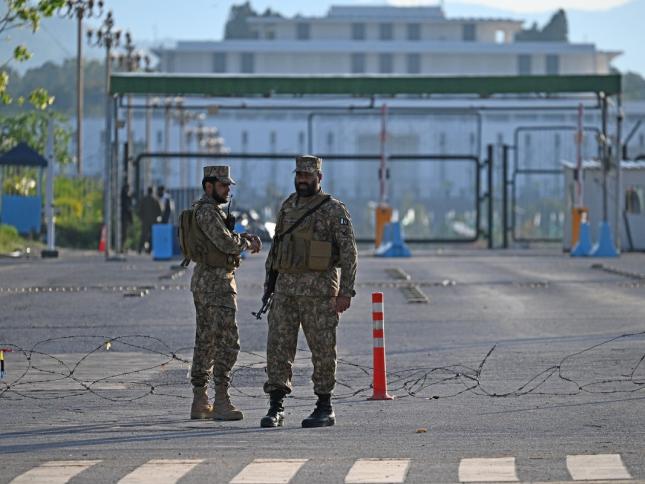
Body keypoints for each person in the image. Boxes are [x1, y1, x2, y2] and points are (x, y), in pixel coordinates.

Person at [261, 155, 357, 428]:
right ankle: (276, 406)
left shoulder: (333, 210)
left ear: (319, 178)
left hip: (319, 294)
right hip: (285, 292)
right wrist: (269, 285)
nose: (302, 180)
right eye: (299, 175)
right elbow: (277, 248)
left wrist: (346, 292)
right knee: (278, 348)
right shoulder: (288, 206)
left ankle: (324, 406)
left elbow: (349, 253)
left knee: (323, 350)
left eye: (307, 176)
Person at [189, 165, 262, 421]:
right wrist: (246, 243)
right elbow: (224, 242)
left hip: (210, 282)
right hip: (216, 285)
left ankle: (201, 400)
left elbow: (221, 239)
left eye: (229, 185)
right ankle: (220, 399)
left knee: (207, 340)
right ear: (209, 186)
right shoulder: (208, 212)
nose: (228, 190)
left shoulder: (208, 211)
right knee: (227, 341)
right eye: (223, 185)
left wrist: (240, 236)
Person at [137, 186, 161, 254]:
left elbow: (140, 210)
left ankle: (140, 249)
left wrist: (142, 218)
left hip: (145, 221)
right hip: (153, 221)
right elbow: (159, 211)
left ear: (147, 191)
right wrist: (157, 218)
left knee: (143, 235)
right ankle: (149, 250)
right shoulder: (155, 200)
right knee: (152, 235)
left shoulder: (144, 199)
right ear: (152, 191)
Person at [120, 182, 133, 252]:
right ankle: (123, 247)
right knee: (124, 233)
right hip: (125, 217)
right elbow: (128, 208)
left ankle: (124, 247)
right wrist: (131, 219)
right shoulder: (126, 197)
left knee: (124, 233)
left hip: (123, 217)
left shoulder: (122, 196)